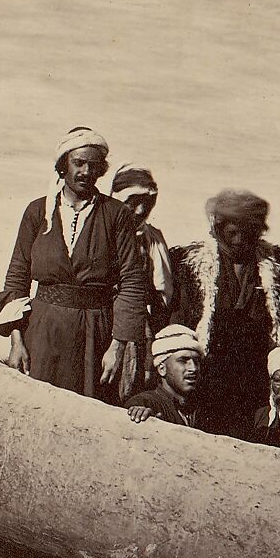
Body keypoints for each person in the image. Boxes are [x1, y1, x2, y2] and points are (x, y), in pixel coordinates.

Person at [0, 127, 148, 402]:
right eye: (79, 163)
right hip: (43, 332)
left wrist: (117, 346)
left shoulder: (116, 214)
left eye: (93, 165)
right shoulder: (37, 212)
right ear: (63, 165)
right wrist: (17, 342)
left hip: (96, 334)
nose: (86, 171)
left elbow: (132, 281)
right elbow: (17, 276)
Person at [167, 189, 280, 439]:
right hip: (208, 375)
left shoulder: (274, 270)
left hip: (255, 376)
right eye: (232, 232)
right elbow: (180, 324)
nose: (239, 240)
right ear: (217, 227)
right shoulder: (193, 266)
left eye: (248, 232)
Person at [108, 164, 174, 393]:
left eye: (146, 204)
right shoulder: (99, 232)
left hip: (137, 328)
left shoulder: (152, 239)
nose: (139, 211)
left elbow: (162, 292)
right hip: (99, 320)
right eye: (132, 202)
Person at [124, 324, 203, 427]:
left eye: (196, 361)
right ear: (162, 369)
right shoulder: (144, 403)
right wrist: (139, 415)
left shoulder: (203, 407)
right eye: (183, 361)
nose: (194, 368)